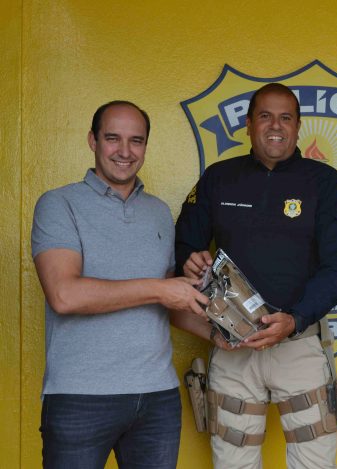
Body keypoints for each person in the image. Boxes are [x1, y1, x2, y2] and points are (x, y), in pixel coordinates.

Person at [172, 82, 337, 469]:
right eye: (265, 116)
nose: (275, 125)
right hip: (233, 348)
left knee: (314, 465)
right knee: (233, 463)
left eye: (285, 117)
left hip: (300, 345)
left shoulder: (324, 183)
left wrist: (295, 319)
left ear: (298, 126)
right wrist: (189, 261)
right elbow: (184, 247)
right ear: (248, 124)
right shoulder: (219, 178)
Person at [31, 100, 209, 469]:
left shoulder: (159, 212)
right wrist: (161, 288)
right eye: (113, 138)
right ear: (92, 141)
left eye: (136, 140)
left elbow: (169, 305)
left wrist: (228, 337)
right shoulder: (59, 204)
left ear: (145, 146)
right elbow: (65, 295)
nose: (125, 151)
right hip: (81, 398)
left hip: (158, 397)